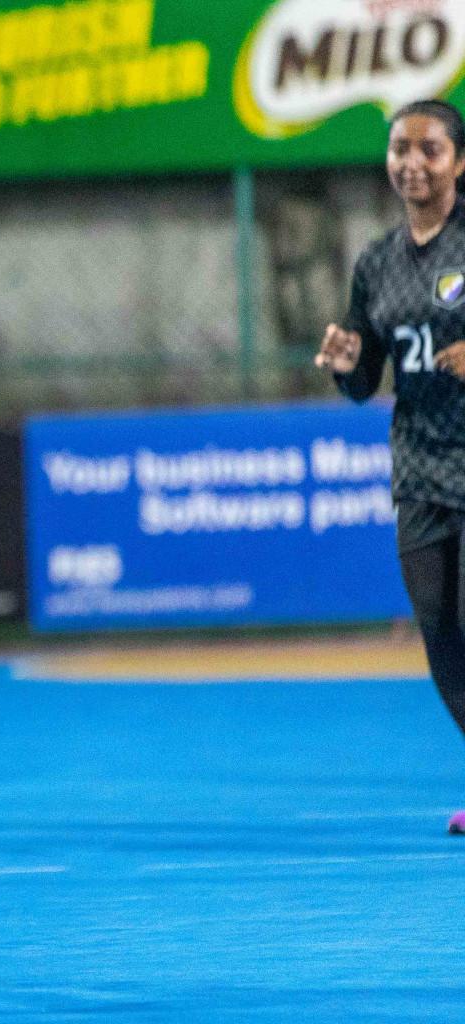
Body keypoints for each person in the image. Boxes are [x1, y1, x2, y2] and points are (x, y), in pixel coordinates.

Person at [317, 98, 465, 834]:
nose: (412, 162)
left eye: (429, 149)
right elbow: (365, 377)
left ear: (459, 163)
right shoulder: (375, 262)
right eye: (399, 149)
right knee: (442, 634)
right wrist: (347, 366)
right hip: (420, 472)